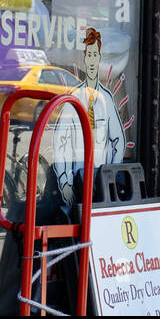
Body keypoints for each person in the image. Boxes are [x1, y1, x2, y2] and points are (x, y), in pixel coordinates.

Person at [52, 27, 127, 205]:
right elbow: (60, 143)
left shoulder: (107, 100)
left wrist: (112, 175)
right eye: (88, 56)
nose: (92, 61)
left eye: (95, 55)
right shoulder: (74, 98)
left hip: (102, 183)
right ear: (84, 60)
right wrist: (65, 182)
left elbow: (118, 140)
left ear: (99, 58)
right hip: (77, 180)